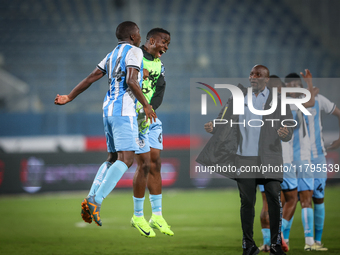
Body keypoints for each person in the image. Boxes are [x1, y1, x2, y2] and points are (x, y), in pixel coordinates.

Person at [54, 21, 157, 227]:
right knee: (127, 159)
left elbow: (92, 77)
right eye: (138, 34)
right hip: (124, 111)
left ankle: (91, 195)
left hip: (108, 110)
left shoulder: (111, 55)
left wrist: (70, 96)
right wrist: (146, 104)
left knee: (112, 158)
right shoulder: (135, 51)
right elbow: (131, 80)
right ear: (133, 37)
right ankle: (96, 200)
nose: (139, 37)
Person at [197, 65, 294, 255]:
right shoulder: (239, 97)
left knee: (274, 199)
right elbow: (224, 118)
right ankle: (248, 245)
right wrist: (214, 125)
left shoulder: (279, 101)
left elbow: (289, 127)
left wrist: (285, 132)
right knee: (247, 203)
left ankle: (275, 245)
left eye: (258, 74)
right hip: (244, 158)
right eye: (251, 74)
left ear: (266, 80)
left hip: (270, 157)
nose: (253, 77)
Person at [258, 72, 315, 252]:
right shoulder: (286, 104)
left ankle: (267, 242)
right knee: (291, 198)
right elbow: (310, 103)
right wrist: (309, 85)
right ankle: (281, 234)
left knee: (267, 203)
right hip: (284, 160)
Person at [131, 28, 174, 237]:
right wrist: (141, 108)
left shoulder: (160, 65)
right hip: (134, 117)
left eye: (168, 44)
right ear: (152, 40)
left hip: (150, 116)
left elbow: (160, 89)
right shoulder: (135, 56)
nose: (166, 47)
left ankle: (157, 215)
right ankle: (138, 216)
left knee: (156, 161)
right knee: (145, 163)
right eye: (164, 42)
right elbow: (126, 81)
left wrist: (151, 109)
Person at [284, 71, 329, 251]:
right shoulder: (290, 102)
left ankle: (287, 241)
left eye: (296, 84)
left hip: (297, 158)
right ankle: (308, 242)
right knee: (300, 200)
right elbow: (310, 100)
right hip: (299, 158)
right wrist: (310, 84)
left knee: (297, 200)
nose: (294, 87)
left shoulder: (281, 100)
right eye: (291, 85)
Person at [304, 76, 340, 250]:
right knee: (292, 201)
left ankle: (316, 241)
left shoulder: (320, 100)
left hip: (317, 156)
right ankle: (283, 240)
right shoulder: (289, 104)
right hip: (298, 159)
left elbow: (339, 113)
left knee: (318, 199)